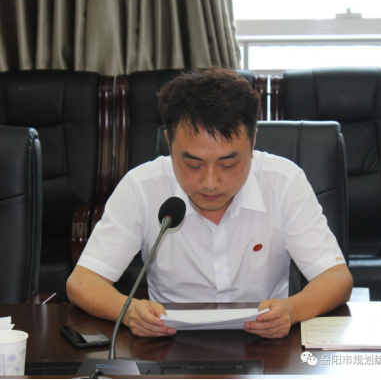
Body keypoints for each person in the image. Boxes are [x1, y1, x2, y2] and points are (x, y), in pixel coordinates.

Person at [67, 67, 353, 339]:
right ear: (169, 142)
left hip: (266, 343)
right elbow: (82, 282)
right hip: (167, 342)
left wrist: (291, 311)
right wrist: (129, 311)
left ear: (253, 141)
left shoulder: (283, 181)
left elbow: (336, 278)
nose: (210, 182)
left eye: (228, 165)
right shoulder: (141, 186)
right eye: (193, 164)